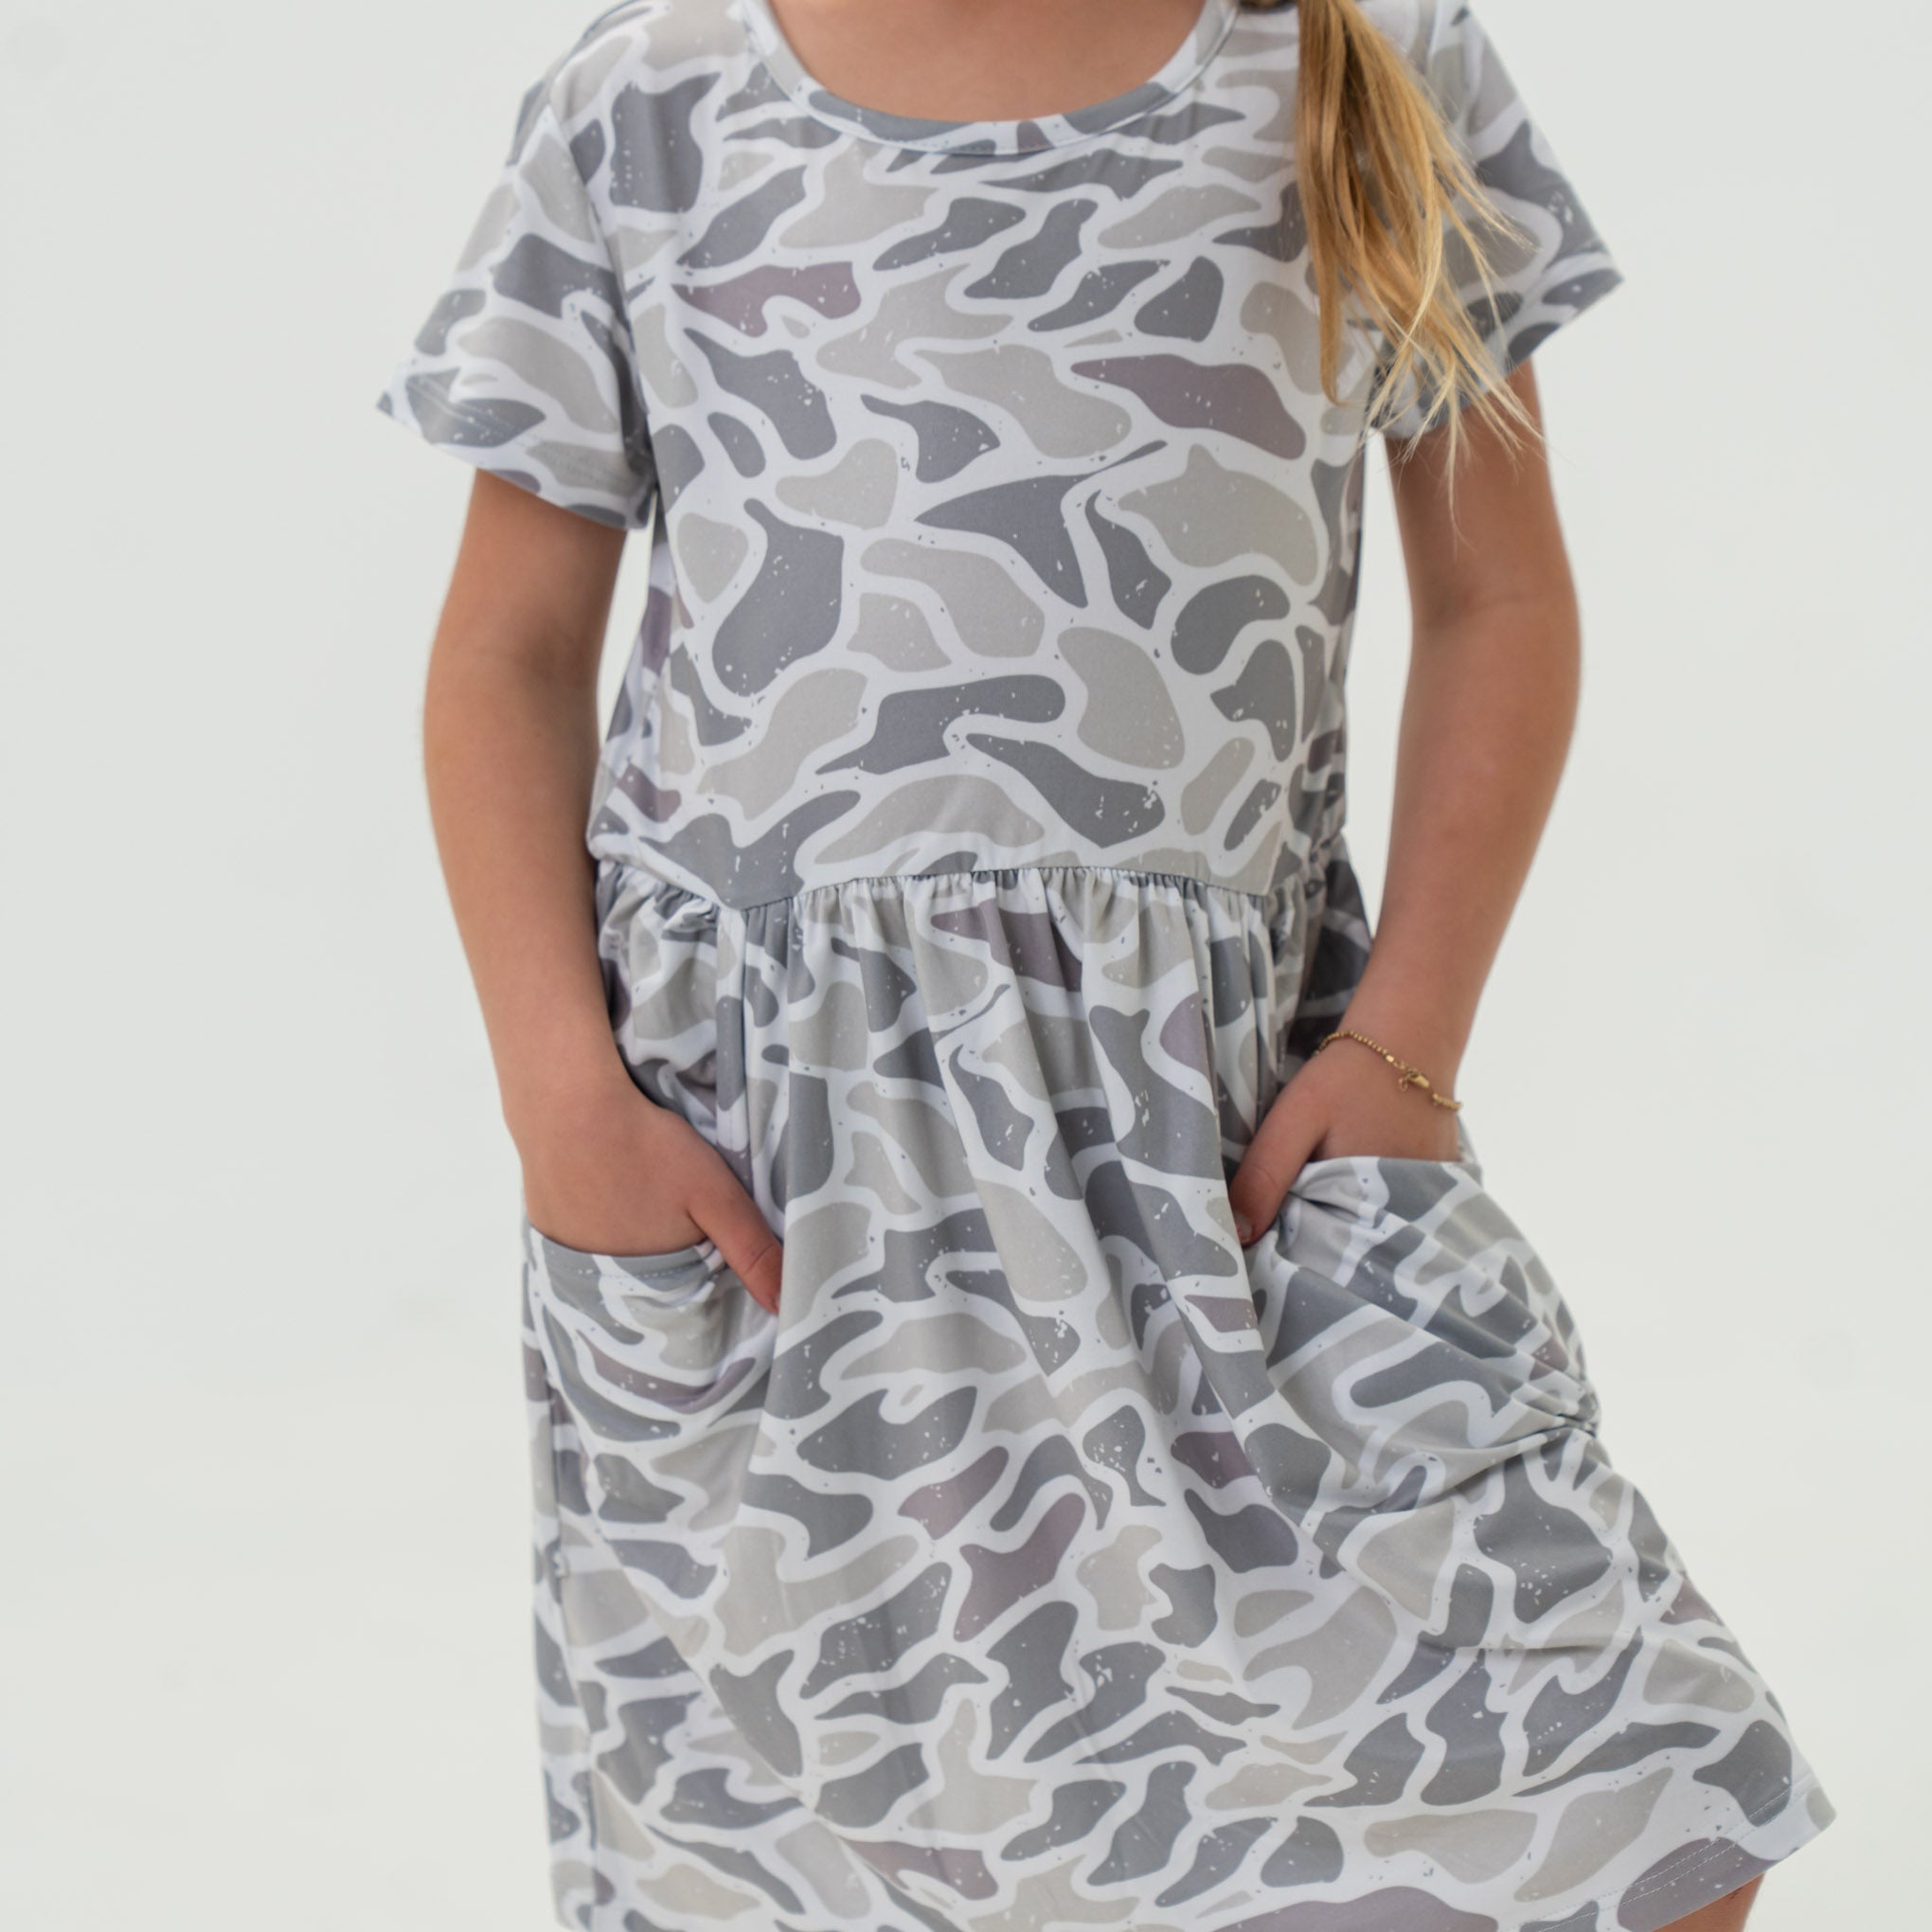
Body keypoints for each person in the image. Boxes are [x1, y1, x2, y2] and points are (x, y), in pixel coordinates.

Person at [374, 1, 1839, 1927]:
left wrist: (1406, 1045)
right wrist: (561, 1098)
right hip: (787, 1175)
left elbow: (1498, 596)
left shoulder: (1367, 61)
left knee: (1630, 1776)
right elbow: (506, 651)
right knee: (863, 1833)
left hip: (1225, 1155)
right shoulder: (644, 103)